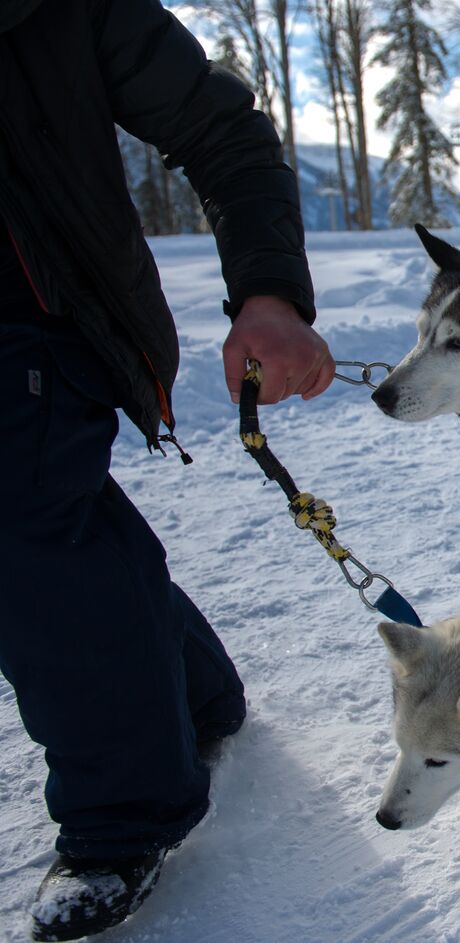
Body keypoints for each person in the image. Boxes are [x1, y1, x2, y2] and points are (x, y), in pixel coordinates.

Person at [0, 1, 334, 939]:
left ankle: (123, 812)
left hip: (39, 322)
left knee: (26, 533)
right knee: (49, 521)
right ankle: (192, 695)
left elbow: (221, 127)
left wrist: (269, 293)